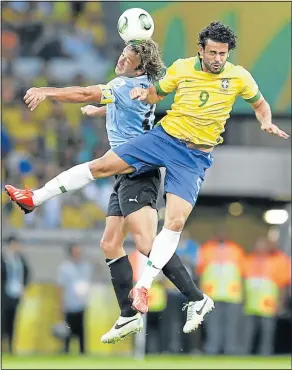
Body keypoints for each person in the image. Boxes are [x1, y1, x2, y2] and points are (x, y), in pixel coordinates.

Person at [6, 21, 289, 319]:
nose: (219, 59)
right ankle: (34, 198)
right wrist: (130, 100)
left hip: (195, 157)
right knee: (102, 170)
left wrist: (265, 120)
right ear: (200, 51)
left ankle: (146, 288)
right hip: (165, 138)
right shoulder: (181, 69)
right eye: (213, 52)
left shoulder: (239, 76)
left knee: (173, 224)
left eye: (223, 53)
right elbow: (154, 95)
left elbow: (259, 104)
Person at [7, 40, 210, 344]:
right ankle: (128, 314)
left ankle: (196, 298)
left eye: (126, 59)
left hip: (137, 170)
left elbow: (85, 91)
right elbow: (129, 111)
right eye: (120, 55)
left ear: (138, 66)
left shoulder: (123, 85)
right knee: (109, 243)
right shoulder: (141, 86)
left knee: (142, 241)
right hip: (127, 169)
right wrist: (102, 110)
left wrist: (46, 91)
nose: (120, 61)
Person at [196, 226, 245, 355]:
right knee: (212, 325)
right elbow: (200, 273)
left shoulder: (236, 250)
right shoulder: (206, 249)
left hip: (232, 294)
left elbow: (243, 273)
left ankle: (231, 350)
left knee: (232, 325)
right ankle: (212, 349)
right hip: (212, 294)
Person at [242, 236, 291, 355]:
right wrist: (243, 299)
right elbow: (242, 281)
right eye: (258, 245)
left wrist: (280, 302)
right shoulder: (248, 260)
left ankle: (265, 355)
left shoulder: (277, 262)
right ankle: (245, 354)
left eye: (263, 245)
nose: (260, 248)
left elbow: (282, 285)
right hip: (250, 304)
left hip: (268, 304)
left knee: (267, 332)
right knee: (247, 332)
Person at [57, 243, 92, 354]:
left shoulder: (85, 266)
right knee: (68, 329)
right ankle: (66, 351)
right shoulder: (65, 267)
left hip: (81, 302)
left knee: (81, 329)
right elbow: (61, 287)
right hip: (69, 302)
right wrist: (60, 303)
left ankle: (82, 351)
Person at [1, 236, 30, 353]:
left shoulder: (20, 259)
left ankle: (11, 347)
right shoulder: (3, 258)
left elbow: (27, 272)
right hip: (4, 294)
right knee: (3, 320)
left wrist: (23, 285)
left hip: (16, 293)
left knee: (13, 321)